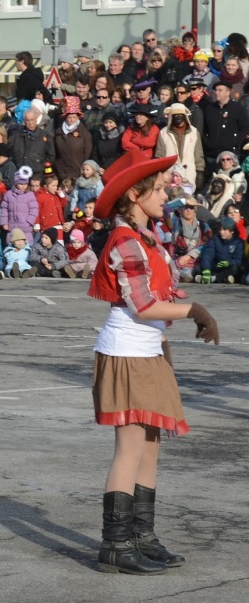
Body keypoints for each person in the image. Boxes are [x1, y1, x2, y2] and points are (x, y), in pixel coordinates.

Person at [87, 151, 219, 575]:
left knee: (149, 449)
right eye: (159, 189)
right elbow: (142, 305)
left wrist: (178, 306)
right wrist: (195, 310)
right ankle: (116, 544)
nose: (166, 195)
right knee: (129, 451)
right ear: (134, 195)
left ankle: (142, 537)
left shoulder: (147, 237)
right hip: (127, 350)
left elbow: (158, 296)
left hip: (147, 349)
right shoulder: (125, 239)